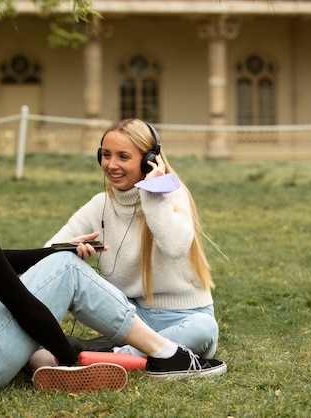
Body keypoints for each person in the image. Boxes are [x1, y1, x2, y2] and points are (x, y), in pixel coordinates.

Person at [0, 95, 226, 398]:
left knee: (63, 266)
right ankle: (169, 356)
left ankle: (42, 358)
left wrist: (58, 251)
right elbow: (22, 304)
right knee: (65, 273)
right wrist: (69, 356)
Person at [46, 119, 222, 361]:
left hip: (185, 318)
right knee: (69, 272)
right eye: (106, 155)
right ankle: (128, 353)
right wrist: (70, 251)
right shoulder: (100, 204)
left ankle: (112, 356)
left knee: (205, 329)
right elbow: (47, 255)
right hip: (131, 318)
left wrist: (152, 196)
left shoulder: (172, 193)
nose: (111, 165)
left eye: (123, 156)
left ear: (149, 160)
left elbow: (175, 247)